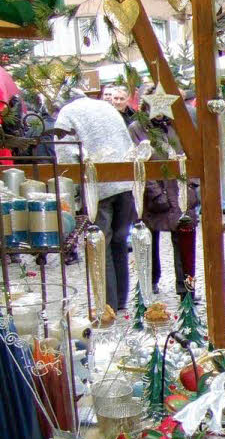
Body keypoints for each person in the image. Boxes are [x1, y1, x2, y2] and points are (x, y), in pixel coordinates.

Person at [54, 89, 136, 310]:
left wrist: (72, 197)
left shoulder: (67, 113)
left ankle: (107, 304)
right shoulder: (107, 107)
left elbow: (65, 158)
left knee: (101, 245)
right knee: (119, 241)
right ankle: (120, 300)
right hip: (125, 181)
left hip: (98, 186)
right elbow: (127, 141)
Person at [129, 94, 200, 299]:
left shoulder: (180, 125)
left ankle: (187, 288)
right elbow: (138, 162)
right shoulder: (137, 128)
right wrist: (154, 192)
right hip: (154, 195)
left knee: (185, 243)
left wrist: (192, 186)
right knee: (149, 240)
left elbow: (193, 153)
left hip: (180, 191)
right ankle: (149, 283)